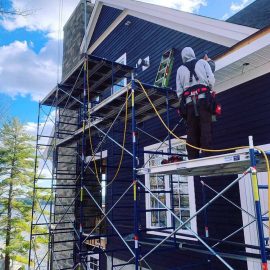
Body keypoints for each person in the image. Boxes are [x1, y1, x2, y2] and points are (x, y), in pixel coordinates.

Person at [176, 47, 215, 159]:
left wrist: (183, 102)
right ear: (193, 53)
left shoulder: (180, 69)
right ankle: (208, 155)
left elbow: (179, 91)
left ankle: (193, 158)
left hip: (189, 104)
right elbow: (211, 78)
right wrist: (210, 89)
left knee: (192, 131)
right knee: (206, 127)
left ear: (183, 56)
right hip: (204, 101)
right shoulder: (203, 62)